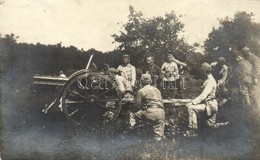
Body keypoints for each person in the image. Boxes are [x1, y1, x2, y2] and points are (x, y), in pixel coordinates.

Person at [129, 74, 166, 141]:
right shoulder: (157, 90)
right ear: (150, 81)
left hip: (150, 112)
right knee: (158, 135)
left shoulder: (141, 91)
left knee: (132, 115)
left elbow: (137, 105)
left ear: (141, 82)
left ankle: (132, 131)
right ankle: (158, 144)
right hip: (161, 112)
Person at [185, 63, 218, 137]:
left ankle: (192, 131)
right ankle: (225, 125)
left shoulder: (210, 81)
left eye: (202, 71)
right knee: (210, 126)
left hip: (210, 105)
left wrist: (193, 103)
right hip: (210, 104)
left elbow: (204, 95)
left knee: (191, 108)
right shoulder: (209, 79)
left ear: (204, 71)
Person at [241, 47, 260, 117]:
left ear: (247, 52)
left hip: (255, 79)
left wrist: (255, 78)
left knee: (254, 95)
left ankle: (257, 111)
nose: (244, 55)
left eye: (244, 53)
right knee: (249, 94)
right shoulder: (247, 58)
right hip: (249, 78)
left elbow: (257, 69)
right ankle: (252, 111)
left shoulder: (255, 58)